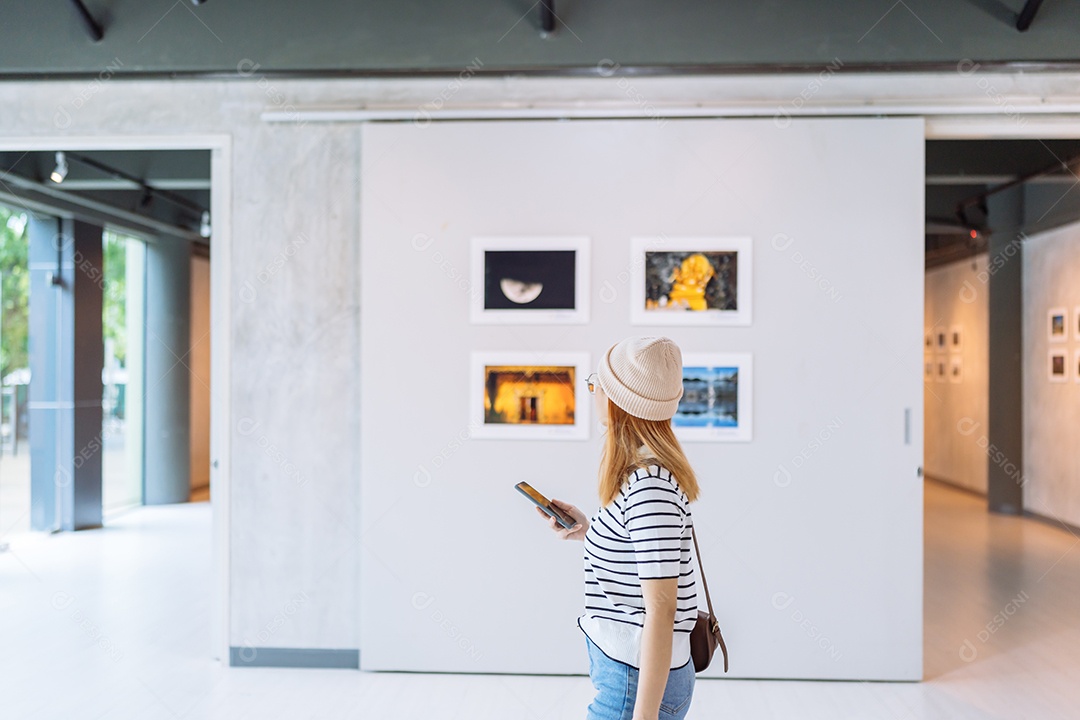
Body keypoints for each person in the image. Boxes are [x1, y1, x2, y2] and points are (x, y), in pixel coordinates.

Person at [538, 336, 700, 720]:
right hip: (629, 671)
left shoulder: (649, 487)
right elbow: (642, 562)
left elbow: (661, 608)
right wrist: (589, 531)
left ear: (616, 400)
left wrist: (643, 717)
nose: (591, 391)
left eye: (596, 383)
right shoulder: (642, 477)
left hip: (635, 678)